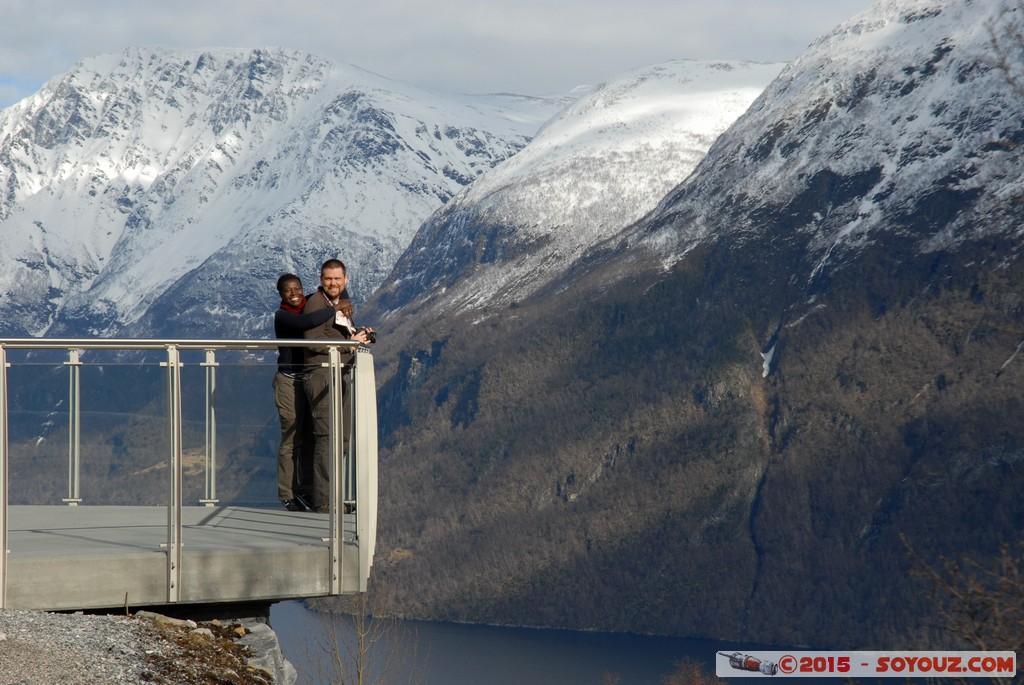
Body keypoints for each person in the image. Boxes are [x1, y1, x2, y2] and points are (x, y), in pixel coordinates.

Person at [302, 259, 374, 513]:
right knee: (326, 438)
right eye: (328, 279)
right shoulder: (315, 304)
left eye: (337, 279)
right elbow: (310, 342)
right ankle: (323, 502)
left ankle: (332, 496)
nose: (333, 283)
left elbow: (336, 334)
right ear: (321, 279)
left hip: (338, 374)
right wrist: (348, 344)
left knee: (341, 439)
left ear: (346, 279)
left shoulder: (339, 303)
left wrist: (356, 336)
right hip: (321, 375)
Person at [272, 273, 338, 512]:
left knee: (311, 437)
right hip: (289, 382)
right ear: (280, 294)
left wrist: (342, 299)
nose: (295, 293)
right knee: (291, 438)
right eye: (289, 290)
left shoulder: (309, 303)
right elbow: (306, 324)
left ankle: (307, 490)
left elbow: (331, 290)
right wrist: (336, 308)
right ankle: (287, 494)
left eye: (297, 288)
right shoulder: (283, 316)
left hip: (309, 380)